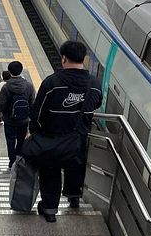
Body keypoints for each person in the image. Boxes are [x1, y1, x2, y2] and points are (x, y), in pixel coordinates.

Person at [28, 40, 103, 222]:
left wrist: (34, 131)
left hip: (52, 138)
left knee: (50, 172)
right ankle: (73, 196)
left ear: (63, 58)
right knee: (75, 167)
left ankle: (50, 209)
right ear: (84, 59)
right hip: (79, 139)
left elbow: (38, 112)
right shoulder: (94, 83)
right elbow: (97, 103)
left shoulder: (52, 82)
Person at [0, 60, 35, 168]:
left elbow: (2, 105)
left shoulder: (5, 87)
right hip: (23, 120)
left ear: (9, 71)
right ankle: (18, 161)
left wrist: (5, 114)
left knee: (10, 141)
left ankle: (12, 162)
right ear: (21, 70)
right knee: (21, 140)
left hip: (9, 120)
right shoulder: (29, 86)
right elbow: (32, 103)